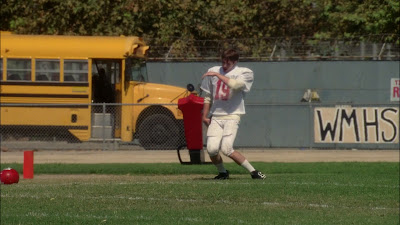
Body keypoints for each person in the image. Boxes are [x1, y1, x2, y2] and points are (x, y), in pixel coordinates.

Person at [200, 49, 266, 180]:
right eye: (223, 62)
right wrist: (205, 115)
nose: (224, 66)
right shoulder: (214, 70)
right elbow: (208, 96)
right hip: (217, 116)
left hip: (232, 115)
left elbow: (235, 85)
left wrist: (217, 75)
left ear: (235, 62)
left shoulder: (244, 72)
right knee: (212, 149)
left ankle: (254, 172)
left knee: (226, 148)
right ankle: (223, 172)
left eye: (228, 63)